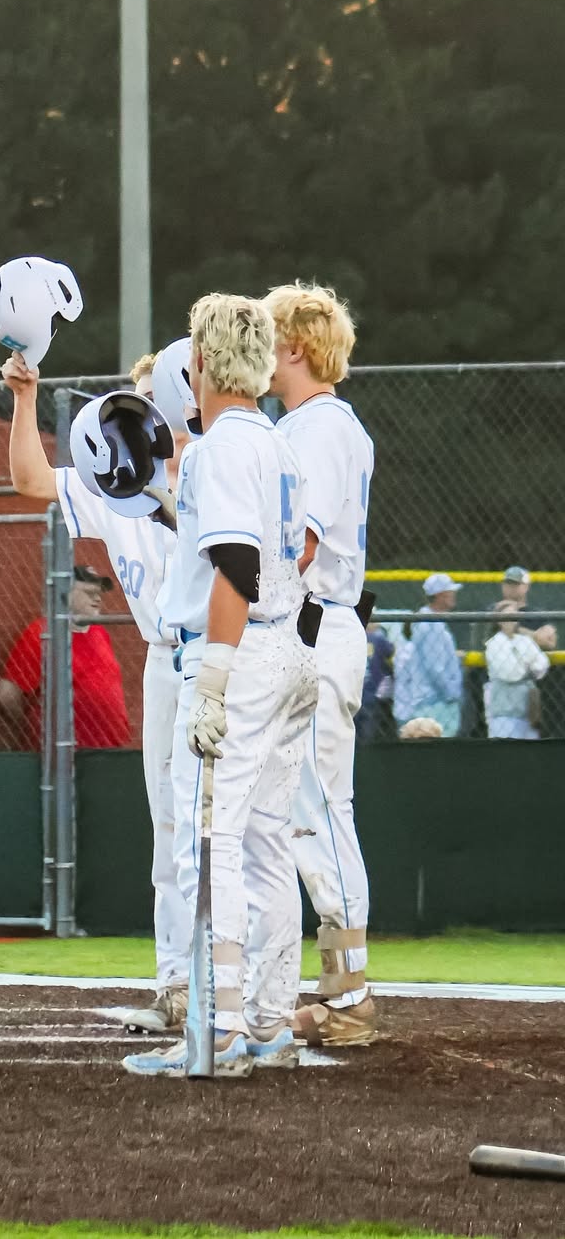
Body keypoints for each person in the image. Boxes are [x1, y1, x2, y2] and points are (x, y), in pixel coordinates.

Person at [124, 294, 317, 1079]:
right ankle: (268, 1022)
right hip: (287, 647)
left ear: (200, 362)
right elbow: (290, 553)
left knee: (211, 845)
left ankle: (219, 1028)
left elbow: (236, 564)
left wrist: (214, 676)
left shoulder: (218, 447)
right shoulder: (278, 443)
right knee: (268, 842)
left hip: (238, 653)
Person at [1, 348, 192, 1034]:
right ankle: (177, 984)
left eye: (151, 398)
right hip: (166, 660)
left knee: (233, 829)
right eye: (135, 401)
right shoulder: (116, 486)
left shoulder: (212, 468)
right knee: (169, 830)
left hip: (230, 656)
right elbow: (29, 479)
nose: (138, 415)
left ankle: (252, 985)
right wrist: (25, 398)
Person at [266, 283, 378, 1046]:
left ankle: (350, 993)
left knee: (319, 810)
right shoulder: (311, 424)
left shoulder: (320, 427)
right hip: (313, 626)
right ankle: (336, 986)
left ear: (296, 347)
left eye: (269, 337)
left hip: (317, 624)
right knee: (302, 810)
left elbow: (298, 545)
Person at [0, 564, 131, 749]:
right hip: (67, 750)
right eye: (89, 593)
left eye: (99, 593)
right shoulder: (44, 633)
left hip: (111, 746)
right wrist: (33, 728)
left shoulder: (99, 632)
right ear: (66, 593)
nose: (97, 598)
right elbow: (7, 692)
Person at [392, 573, 464, 737]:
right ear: (440, 595)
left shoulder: (432, 621)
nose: (454, 595)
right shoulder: (431, 624)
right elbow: (435, 667)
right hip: (435, 702)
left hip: (433, 700)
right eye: (450, 591)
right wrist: (451, 693)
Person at [484, 600, 550, 740]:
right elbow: (510, 674)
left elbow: (542, 664)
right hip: (504, 712)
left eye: (514, 615)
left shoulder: (524, 640)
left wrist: (523, 663)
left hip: (527, 713)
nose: (511, 619)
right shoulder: (494, 644)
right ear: (498, 620)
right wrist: (528, 664)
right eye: (507, 616)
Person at [354, 623, 395, 742]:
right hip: (372, 696)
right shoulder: (378, 639)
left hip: (354, 694)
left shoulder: (352, 637)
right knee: (369, 735)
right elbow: (391, 654)